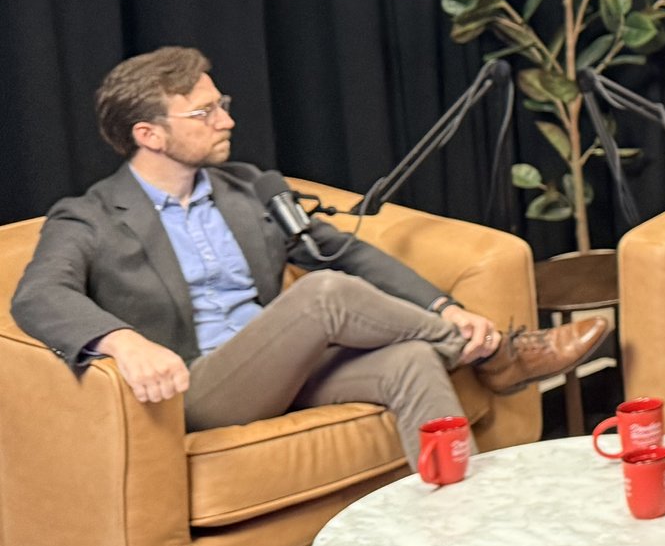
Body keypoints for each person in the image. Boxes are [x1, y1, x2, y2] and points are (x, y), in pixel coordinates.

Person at [9, 48, 608, 469]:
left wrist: (443, 305)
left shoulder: (245, 188)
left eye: (223, 104)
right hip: (204, 388)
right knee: (321, 295)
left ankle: (471, 544)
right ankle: (498, 356)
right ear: (149, 135)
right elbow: (39, 296)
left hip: (287, 369)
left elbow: (342, 252)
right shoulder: (88, 216)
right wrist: (123, 342)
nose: (227, 120)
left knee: (409, 363)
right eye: (205, 113)